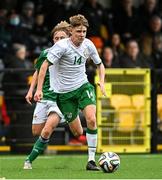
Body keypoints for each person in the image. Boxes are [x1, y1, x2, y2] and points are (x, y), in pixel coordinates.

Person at [35, 14, 106, 171]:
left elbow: (100, 64)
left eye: (84, 31)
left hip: (83, 87)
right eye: (79, 31)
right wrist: (39, 89)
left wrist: (101, 80)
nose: (82, 35)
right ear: (71, 31)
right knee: (77, 132)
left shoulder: (88, 44)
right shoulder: (62, 47)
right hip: (64, 94)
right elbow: (44, 66)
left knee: (92, 119)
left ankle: (91, 160)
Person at [23, 21, 83, 170]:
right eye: (56, 38)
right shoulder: (46, 53)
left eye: (62, 38)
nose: (58, 41)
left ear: (68, 38)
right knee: (36, 131)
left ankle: (28, 161)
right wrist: (32, 91)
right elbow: (38, 72)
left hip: (60, 98)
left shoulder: (72, 54)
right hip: (44, 98)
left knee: (48, 129)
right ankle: (68, 118)